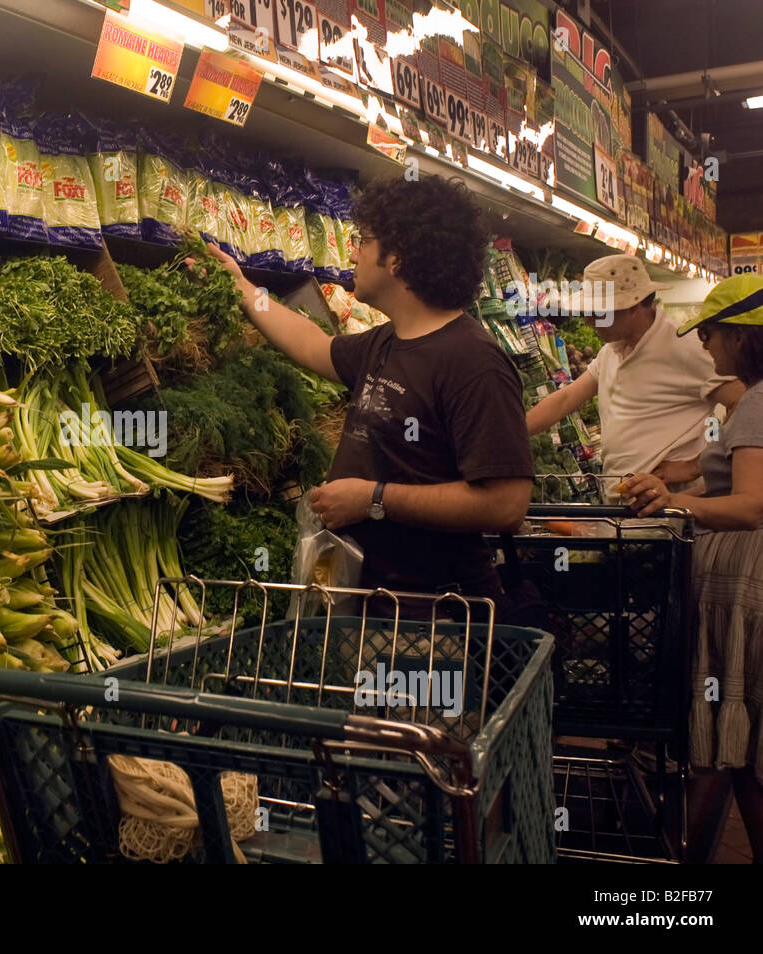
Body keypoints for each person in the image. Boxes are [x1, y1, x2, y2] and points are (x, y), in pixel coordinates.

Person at [197, 175, 532, 606]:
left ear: (397, 259)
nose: (353, 251)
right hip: (373, 600)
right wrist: (242, 288)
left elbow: (506, 503)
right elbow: (312, 344)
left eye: (364, 240)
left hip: (435, 616)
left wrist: (373, 499)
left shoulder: (473, 362)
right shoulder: (387, 342)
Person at [621, 274, 763, 863]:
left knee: (737, 731)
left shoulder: (757, 401)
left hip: (744, 590)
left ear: (739, 337)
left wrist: (677, 502)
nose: (705, 345)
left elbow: (752, 504)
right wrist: (688, 475)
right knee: (744, 740)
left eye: (709, 333)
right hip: (742, 590)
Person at [526, 254, 744, 498]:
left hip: (670, 503)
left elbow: (743, 403)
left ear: (633, 306)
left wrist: (696, 465)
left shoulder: (687, 347)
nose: (588, 321)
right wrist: (513, 432)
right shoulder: (611, 350)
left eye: (598, 313)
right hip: (623, 500)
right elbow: (565, 399)